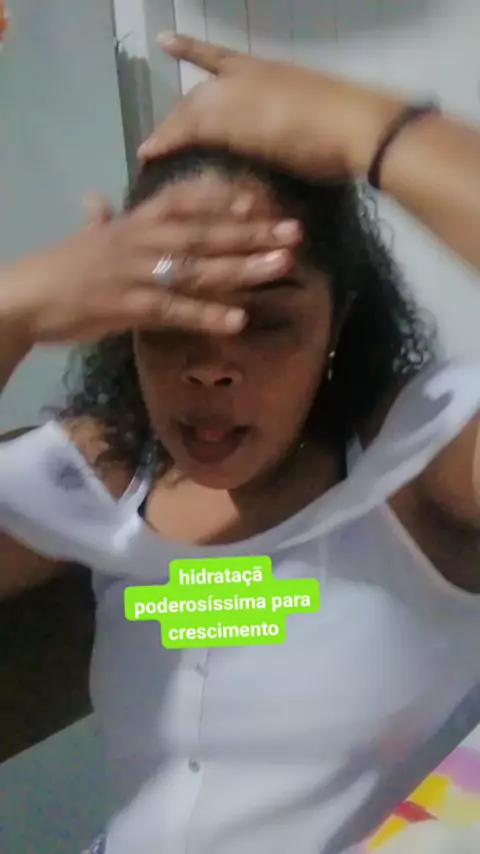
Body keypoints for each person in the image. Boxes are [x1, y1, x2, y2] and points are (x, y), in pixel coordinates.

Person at [0, 34, 479, 854]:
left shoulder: (420, 467)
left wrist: (375, 129)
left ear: (338, 322)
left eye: (265, 319)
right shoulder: (103, 476)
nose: (212, 366)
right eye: (170, 312)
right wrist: (13, 309)